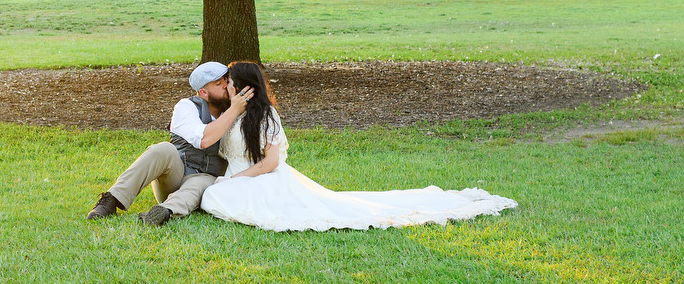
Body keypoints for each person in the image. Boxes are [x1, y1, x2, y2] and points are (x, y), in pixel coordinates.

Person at [199, 61, 518, 232]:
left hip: (261, 177)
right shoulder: (231, 114)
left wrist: (238, 179)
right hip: (241, 176)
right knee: (216, 196)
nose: (225, 85)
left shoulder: (266, 116)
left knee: (223, 197)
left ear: (243, 87)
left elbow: (270, 163)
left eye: (228, 81)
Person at [87, 60, 246, 226]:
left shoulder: (234, 111)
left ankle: (164, 212)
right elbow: (203, 140)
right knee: (163, 149)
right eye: (218, 84)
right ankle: (111, 200)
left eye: (226, 81)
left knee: (202, 182)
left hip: (204, 179)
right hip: (174, 176)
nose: (225, 87)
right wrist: (234, 110)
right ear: (204, 93)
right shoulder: (186, 107)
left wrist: (235, 110)